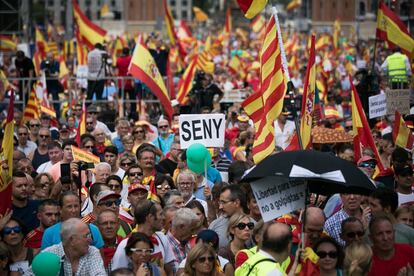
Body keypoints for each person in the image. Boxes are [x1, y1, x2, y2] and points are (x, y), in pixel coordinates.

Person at [112, 200, 175, 274]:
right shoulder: (125, 245)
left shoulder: (162, 238)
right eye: (160, 214)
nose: (164, 218)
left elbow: (170, 270)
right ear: (150, 217)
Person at [34, 218, 106, 275]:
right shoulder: (49, 254)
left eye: (90, 235)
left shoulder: (92, 252)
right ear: (72, 240)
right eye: (86, 236)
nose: (90, 240)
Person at [166, 208, 199, 273]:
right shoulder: (165, 246)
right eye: (192, 230)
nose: (194, 233)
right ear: (181, 227)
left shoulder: (188, 244)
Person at [116, 47, 135, 117]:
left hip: (121, 83)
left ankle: (122, 114)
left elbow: (117, 71)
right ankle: (133, 114)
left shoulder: (118, 60)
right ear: (128, 52)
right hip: (130, 82)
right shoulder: (131, 59)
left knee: (122, 100)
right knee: (132, 100)